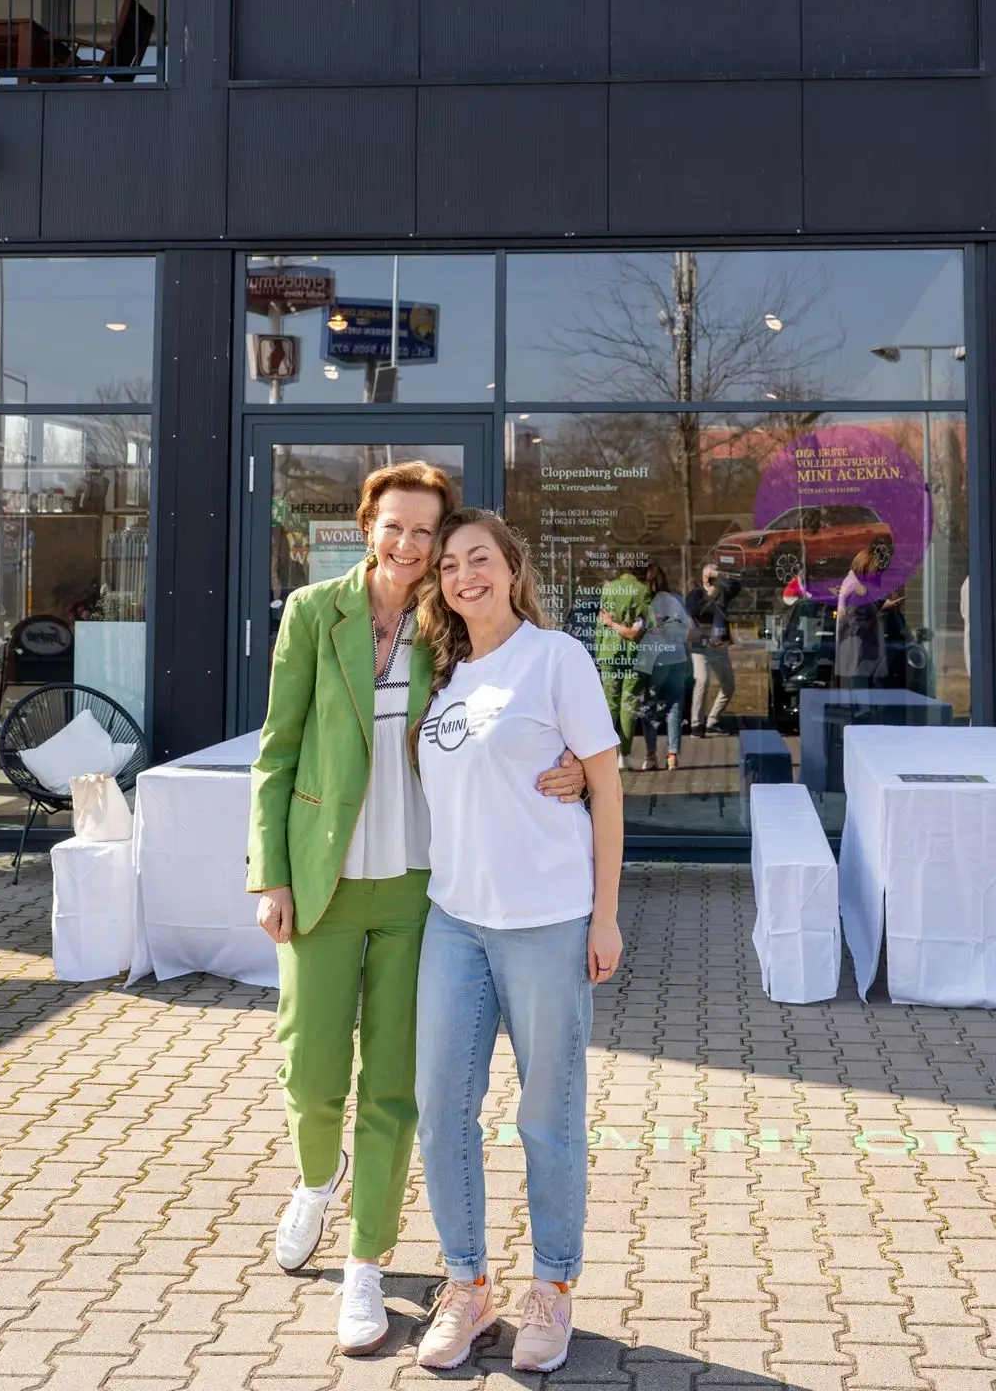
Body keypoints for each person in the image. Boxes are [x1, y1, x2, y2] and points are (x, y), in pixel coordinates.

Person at [247, 463, 586, 1358]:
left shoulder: (447, 628)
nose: (408, 544)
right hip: (321, 879)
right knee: (311, 1071)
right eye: (393, 526)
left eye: (424, 532)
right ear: (367, 526)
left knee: (395, 1086)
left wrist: (580, 769)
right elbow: (277, 751)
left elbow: (520, 706)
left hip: (419, 888)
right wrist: (270, 874)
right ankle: (316, 1178)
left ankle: (367, 1264)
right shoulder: (313, 613)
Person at [411, 510, 623, 1374]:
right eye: (449, 566)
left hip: (546, 921)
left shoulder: (555, 657)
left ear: (510, 568)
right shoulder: (441, 674)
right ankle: (467, 1285)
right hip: (455, 921)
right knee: (440, 1111)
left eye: (479, 559)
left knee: (547, 1115)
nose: (464, 576)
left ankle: (553, 1288)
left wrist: (605, 915)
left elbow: (605, 789)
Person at [594, 562, 652, 769]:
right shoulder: (643, 591)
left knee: (609, 704)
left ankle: (604, 755)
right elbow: (641, 627)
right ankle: (624, 755)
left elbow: (600, 625)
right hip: (633, 654)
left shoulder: (608, 589)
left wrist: (598, 650)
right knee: (629, 704)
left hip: (609, 652)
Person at [636, 562, 690, 771]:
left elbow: (639, 630)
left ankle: (651, 754)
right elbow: (687, 629)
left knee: (650, 705)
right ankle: (672, 755)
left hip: (655, 659)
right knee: (674, 705)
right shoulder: (676, 600)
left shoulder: (646, 602)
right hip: (677, 656)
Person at [685, 562, 738, 734]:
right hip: (700, 645)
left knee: (728, 685)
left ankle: (713, 720)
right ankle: (696, 724)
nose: (714, 574)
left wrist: (721, 578)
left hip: (719, 644)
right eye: (711, 571)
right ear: (703, 575)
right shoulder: (694, 594)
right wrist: (709, 594)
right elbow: (697, 612)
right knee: (702, 680)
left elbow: (736, 587)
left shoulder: (723, 592)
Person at [834, 539, 893, 689]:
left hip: (857, 658)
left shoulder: (854, 586)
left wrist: (880, 604)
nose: (879, 576)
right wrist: (881, 611)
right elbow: (857, 626)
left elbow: (864, 607)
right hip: (860, 659)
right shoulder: (856, 590)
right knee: (862, 698)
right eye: (877, 571)